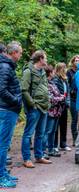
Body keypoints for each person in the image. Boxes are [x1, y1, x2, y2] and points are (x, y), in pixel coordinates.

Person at [21, 50, 52, 168]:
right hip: (35, 107)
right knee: (28, 133)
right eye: (46, 58)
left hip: (44, 106)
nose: (47, 60)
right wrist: (32, 104)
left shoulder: (43, 71)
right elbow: (24, 90)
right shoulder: (28, 71)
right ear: (40, 59)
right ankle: (27, 159)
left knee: (40, 133)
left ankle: (39, 156)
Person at [0, 41, 22, 188]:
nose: (20, 55)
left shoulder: (7, 66)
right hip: (7, 110)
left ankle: (3, 172)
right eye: (20, 53)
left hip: (9, 110)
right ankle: (1, 177)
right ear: (13, 53)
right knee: (3, 144)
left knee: (4, 144)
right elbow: (1, 90)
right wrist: (15, 101)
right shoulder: (5, 66)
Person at [42, 65, 65, 158]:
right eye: (53, 71)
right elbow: (50, 98)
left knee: (53, 131)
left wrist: (60, 97)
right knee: (47, 131)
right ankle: (43, 151)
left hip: (56, 111)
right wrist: (60, 98)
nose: (54, 73)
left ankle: (51, 150)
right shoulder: (46, 84)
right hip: (50, 111)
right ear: (50, 73)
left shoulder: (52, 83)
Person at [53, 63, 71, 152]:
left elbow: (67, 91)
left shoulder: (65, 79)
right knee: (56, 125)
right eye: (64, 68)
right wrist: (60, 99)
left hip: (64, 105)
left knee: (64, 125)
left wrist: (67, 102)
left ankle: (63, 144)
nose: (66, 69)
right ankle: (54, 144)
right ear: (60, 69)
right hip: (57, 105)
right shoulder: (55, 79)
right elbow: (55, 92)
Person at [67, 55, 79, 146]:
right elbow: (67, 85)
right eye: (76, 60)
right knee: (75, 118)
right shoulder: (69, 72)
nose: (77, 62)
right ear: (72, 62)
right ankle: (75, 139)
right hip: (72, 98)